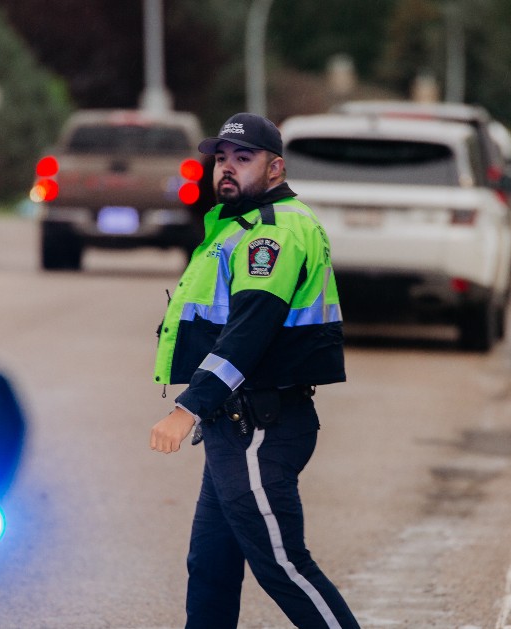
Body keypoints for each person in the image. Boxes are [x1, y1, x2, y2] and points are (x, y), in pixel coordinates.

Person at [149, 112, 359, 629]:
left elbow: (247, 334)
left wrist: (187, 408)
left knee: (284, 567)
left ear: (275, 168)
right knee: (212, 568)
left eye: (243, 159)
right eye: (221, 158)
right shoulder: (239, 225)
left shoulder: (273, 233)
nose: (226, 168)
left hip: (259, 427)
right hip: (235, 426)